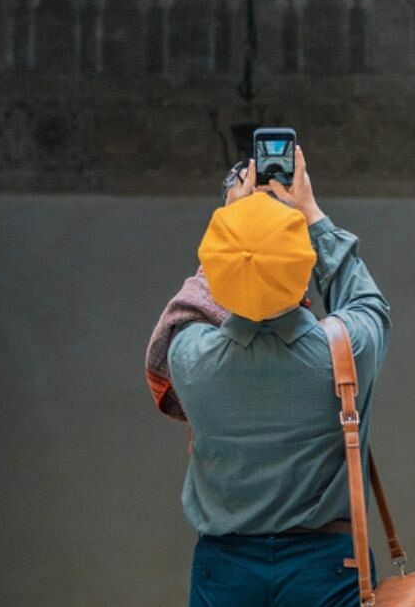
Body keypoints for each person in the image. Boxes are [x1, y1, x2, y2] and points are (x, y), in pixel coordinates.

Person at [143, 147, 391, 607]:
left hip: (226, 569)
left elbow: (193, 302)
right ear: (303, 270)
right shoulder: (345, 350)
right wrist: (310, 213)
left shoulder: (189, 357)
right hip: (327, 568)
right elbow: (366, 301)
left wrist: (236, 229)